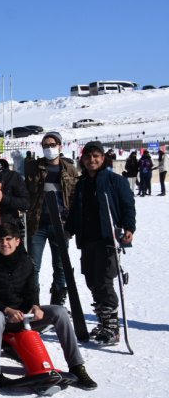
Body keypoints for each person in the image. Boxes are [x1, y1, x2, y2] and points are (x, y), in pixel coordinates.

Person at [0, 222, 96, 398]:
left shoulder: (26, 262)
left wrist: (35, 306)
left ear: (18, 241)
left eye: (8, 239)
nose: (4, 244)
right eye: (0, 240)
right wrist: (7, 309)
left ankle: (76, 366)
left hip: (22, 316)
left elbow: (32, 290)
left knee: (59, 312)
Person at [65, 141, 136, 345]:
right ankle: (104, 321)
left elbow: (127, 206)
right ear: (83, 160)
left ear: (103, 158)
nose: (92, 160)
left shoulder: (115, 181)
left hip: (108, 239)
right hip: (87, 239)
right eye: (88, 157)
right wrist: (68, 230)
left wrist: (129, 228)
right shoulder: (82, 184)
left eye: (96, 156)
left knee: (104, 281)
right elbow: (75, 213)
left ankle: (112, 327)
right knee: (92, 280)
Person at [23, 132, 78, 306]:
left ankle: (58, 302)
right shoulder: (32, 167)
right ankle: (34, 303)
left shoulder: (69, 169)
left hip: (61, 224)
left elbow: (75, 196)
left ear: (60, 146)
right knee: (33, 266)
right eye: (45, 145)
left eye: (52, 144)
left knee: (61, 266)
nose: (49, 148)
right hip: (37, 224)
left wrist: (73, 222)